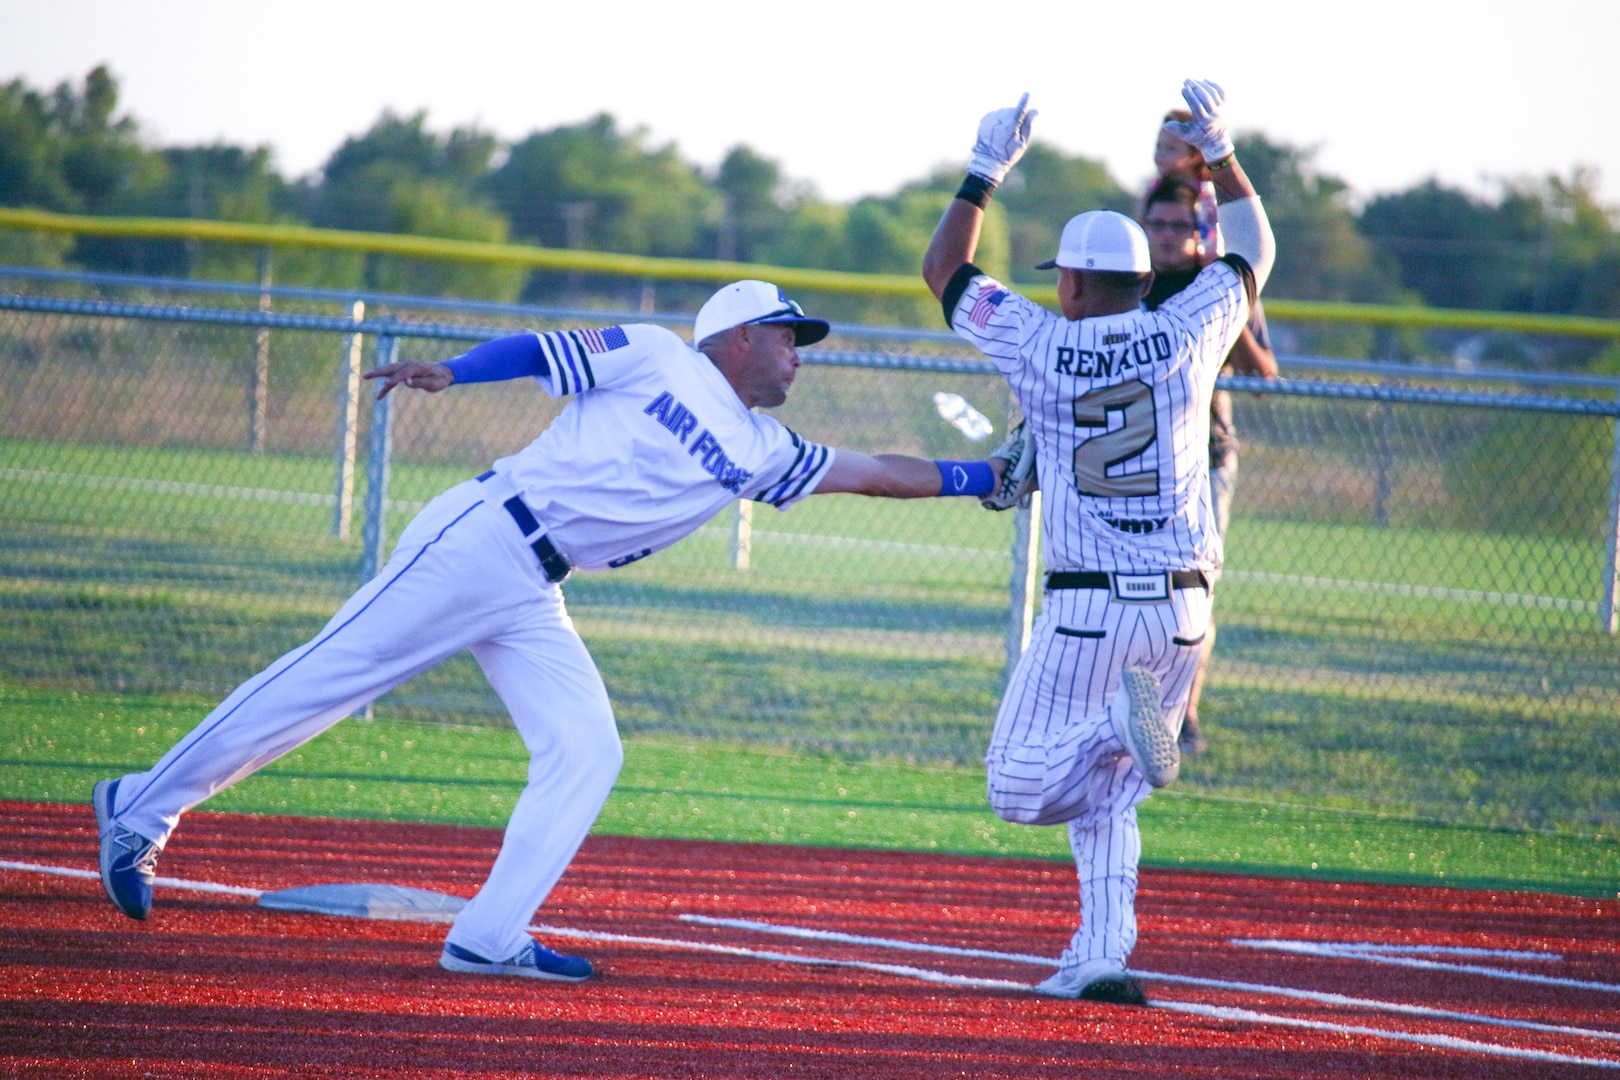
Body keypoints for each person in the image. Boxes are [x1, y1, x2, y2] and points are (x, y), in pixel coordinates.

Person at [92, 279, 1007, 981]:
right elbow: (543, 346)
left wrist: (988, 478)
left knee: (586, 748)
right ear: (732, 337)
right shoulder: (656, 353)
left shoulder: (768, 449)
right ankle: (138, 807)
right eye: (784, 333)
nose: (798, 352)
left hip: (534, 585)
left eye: (799, 340)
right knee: (327, 678)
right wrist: (454, 370)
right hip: (485, 533)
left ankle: (489, 937)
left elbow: (879, 471)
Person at [922, 81, 1275, 1002]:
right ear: (1142, 278)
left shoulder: (1040, 339)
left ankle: (1114, 727)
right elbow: (1254, 250)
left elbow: (945, 272)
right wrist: (1224, 151)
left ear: (1071, 283)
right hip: (1188, 605)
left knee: (1016, 787)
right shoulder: (1188, 329)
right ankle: (1102, 955)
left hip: (1091, 608)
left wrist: (983, 170)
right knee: (1114, 793)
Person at [1140, 175, 1279, 754]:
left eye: (1180, 226)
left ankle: (1183, 713)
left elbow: (1262, 378)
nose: (1169, 237)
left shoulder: (1216, 286)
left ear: (1198, 231)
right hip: (1138, 463)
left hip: (1203, 457)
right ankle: (1139, 707)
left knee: (1193, 594)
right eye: (1158, 225)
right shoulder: (1123, 282)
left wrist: (1234, 301)